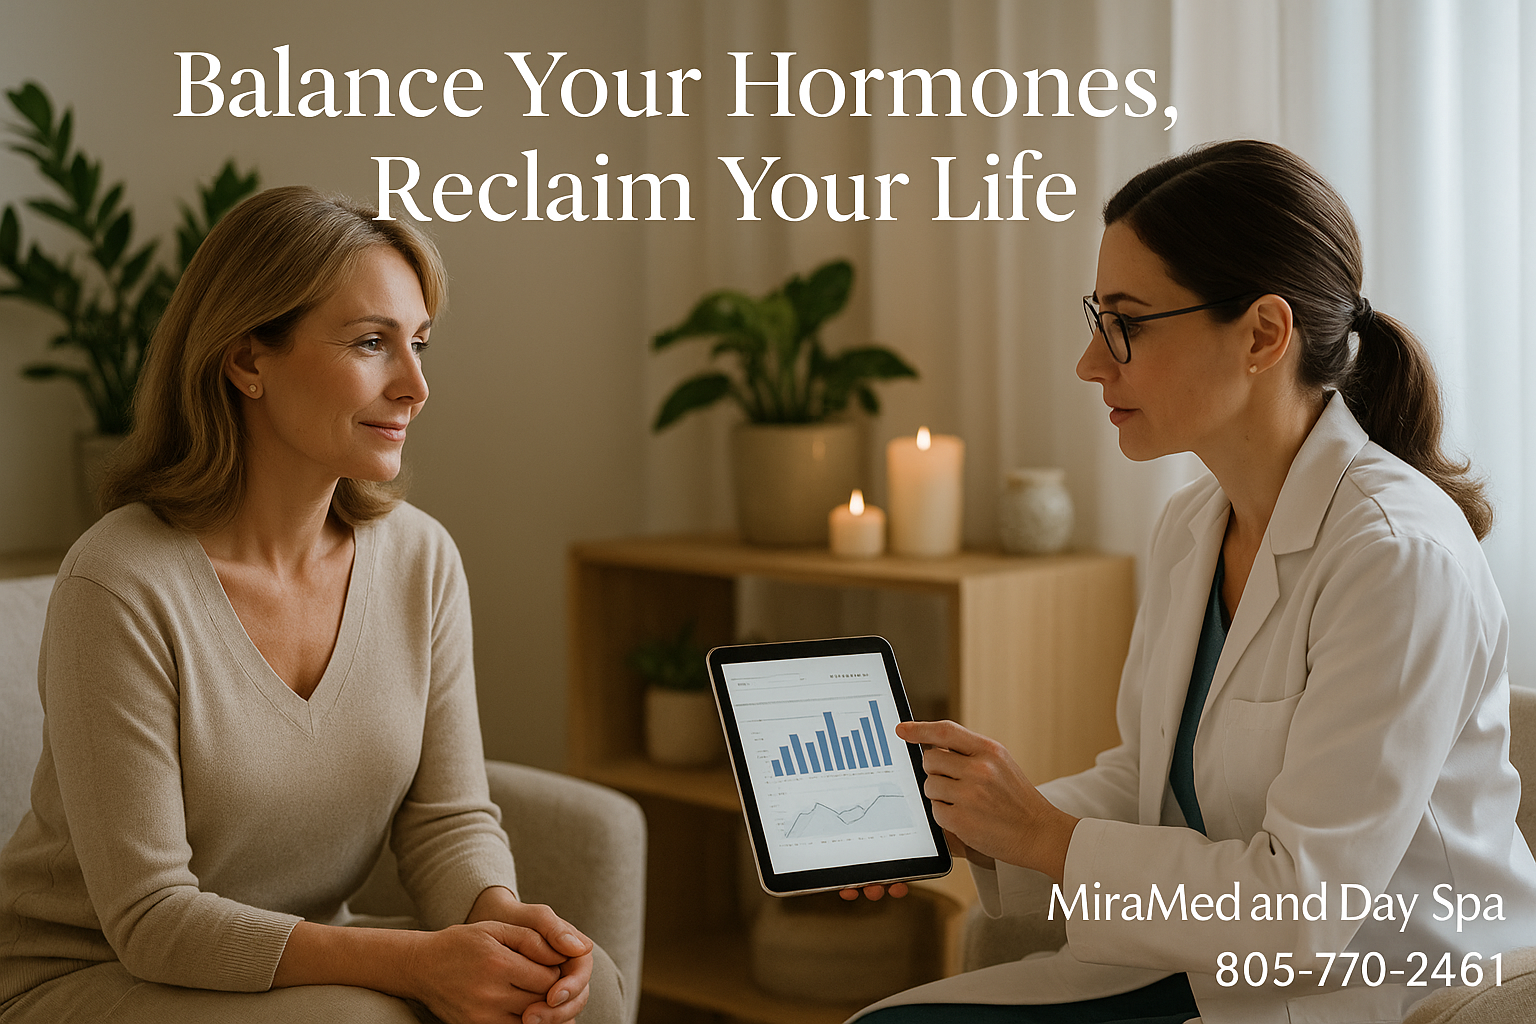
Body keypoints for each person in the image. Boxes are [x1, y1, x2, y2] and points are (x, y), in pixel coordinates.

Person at [845, 140, 1536, 1023]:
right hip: (1214, 974)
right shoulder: (1191, 527)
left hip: (1390, 993)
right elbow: (1151, 789)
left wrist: (1043, 835)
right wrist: (975, 822)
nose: (1091, 362)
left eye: (1126, 322)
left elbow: (1304, 912)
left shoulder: (1397, 558)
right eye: (1098, 316)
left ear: (1262, 334)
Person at [0, 187, 621, 1023]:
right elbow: (151, 919)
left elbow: (444, 820)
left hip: (303, 965)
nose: (415, 386)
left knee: (591, 990)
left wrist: (497, 922)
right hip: (93, 973)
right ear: (247, 359)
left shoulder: (420, 558)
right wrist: (413, 963)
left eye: (420, 344)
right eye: (372, 343)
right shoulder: (118, 582)